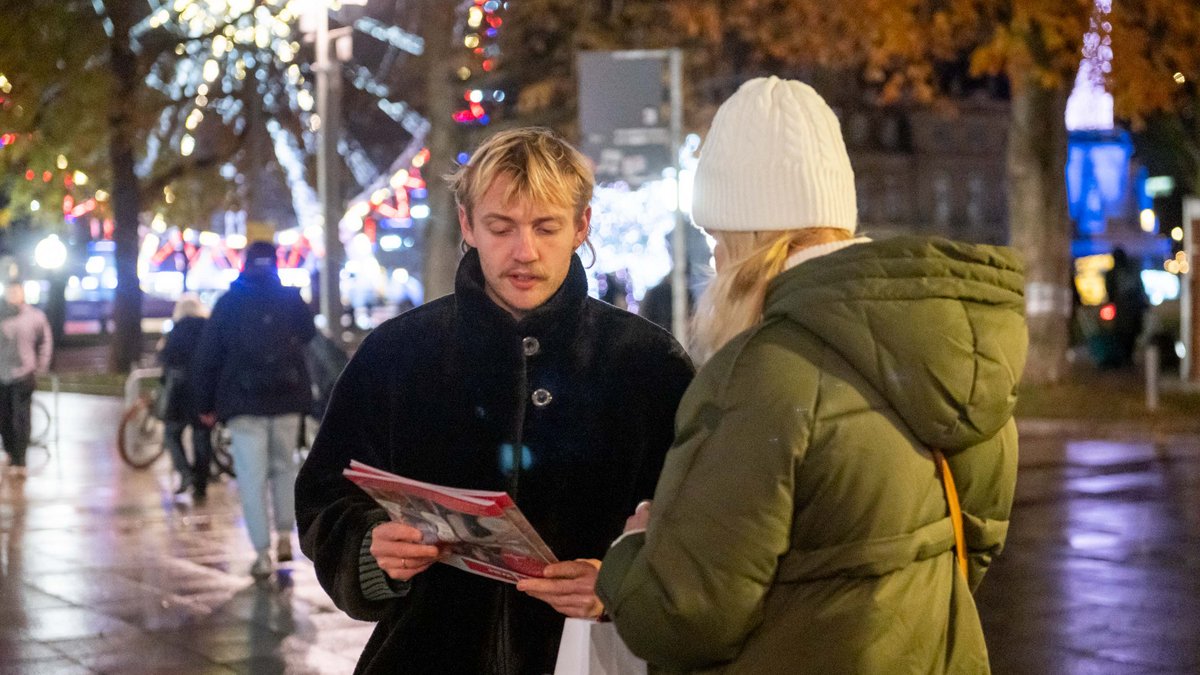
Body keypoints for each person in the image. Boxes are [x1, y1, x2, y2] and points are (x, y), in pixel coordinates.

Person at [596, 77, 1028, 674]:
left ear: (743, 235)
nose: (715, 258)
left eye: (717, 237)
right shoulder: (956, 347)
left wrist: (630, 553)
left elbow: (684, 618)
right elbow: (972, 546)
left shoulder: (760, 373)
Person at [295, 127, 694, 674]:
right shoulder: (398, 353)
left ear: (581, 227)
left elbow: (697, 530)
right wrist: (371, 553)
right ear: (468, 225)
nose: (523, 252)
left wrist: (623, 584)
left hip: (588, 661)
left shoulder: (648, 364)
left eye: (546, 227)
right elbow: (324, 498)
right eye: (500, 227)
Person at [193, 241, 315, 578]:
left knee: (251, 476)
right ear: (275, 263)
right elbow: (309, 333)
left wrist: (204, 405)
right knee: (284, 468)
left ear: (244, 264)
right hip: (288, 399)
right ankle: (285, 535)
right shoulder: (290, 299)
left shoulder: (229, 303)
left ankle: (262, 553)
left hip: (243, 403)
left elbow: (208, 356)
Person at [157, 293, 212, 502]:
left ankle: (185, 472)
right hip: (203, 391)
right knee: (202, 437)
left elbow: (166, 357)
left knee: (171, 434)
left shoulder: (177, 329)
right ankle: (201, 483)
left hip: (180, 393)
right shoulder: (208, 328)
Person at [0, 280, 53, 477]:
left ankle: (20, 460)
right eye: (9, 291)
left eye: (16, 291)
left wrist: (41, 364)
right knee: (4, 418)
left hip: (24, 376)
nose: (12, 295)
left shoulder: (35, 317)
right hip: (2, 375)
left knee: (21, 418)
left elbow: (45, 341)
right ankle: (9, 451)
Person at [1103, 247, 1147, 368]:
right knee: (1126, 334)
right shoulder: (1128, 271)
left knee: (1125, 334)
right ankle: (1126, 358)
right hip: (1129, 308)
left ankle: (1125, 358)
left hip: (1125, 308)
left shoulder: (1116, 273)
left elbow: (1110, 291)